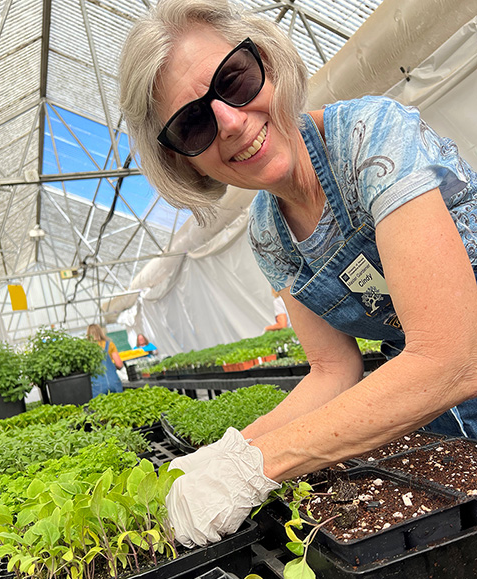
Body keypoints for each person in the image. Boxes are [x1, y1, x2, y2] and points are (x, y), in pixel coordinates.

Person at [119, 0, 477, 547]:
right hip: (436, 414)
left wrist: (256, 467)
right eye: (193, 124)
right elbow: (333, 371)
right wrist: (228, 453)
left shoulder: (368, 138)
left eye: (233, 81)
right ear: (182, 159)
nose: (232, 122)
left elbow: (451, 356)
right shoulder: (269, 229)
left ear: (268, 61)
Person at [86, 324, 123, 397]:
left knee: (101, 406)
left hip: (97, 385)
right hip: (114, 382)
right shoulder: (110, 344)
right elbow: (119, 364)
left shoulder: (86, 348)